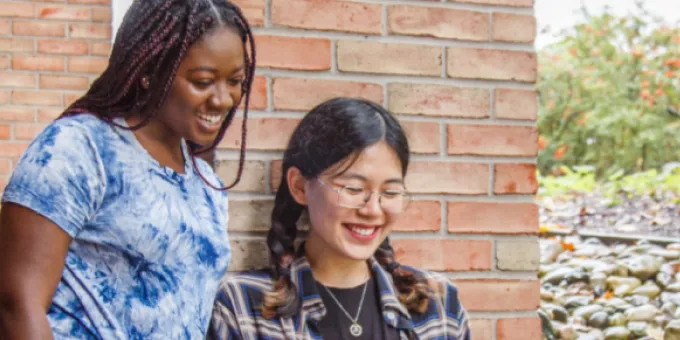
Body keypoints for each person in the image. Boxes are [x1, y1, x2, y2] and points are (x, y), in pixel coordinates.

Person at [0, 0, 256, 338]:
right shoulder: (80, 148)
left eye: (235, 80)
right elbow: (16, 303)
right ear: (150, 72)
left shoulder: (205, 182)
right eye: (203, 81)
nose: (223, 99)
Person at [208, 98, 471, 340]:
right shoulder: (243, 306)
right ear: (299, 186)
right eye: (353, 189)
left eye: (390, 192)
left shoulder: (439, 303)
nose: (373, 210)